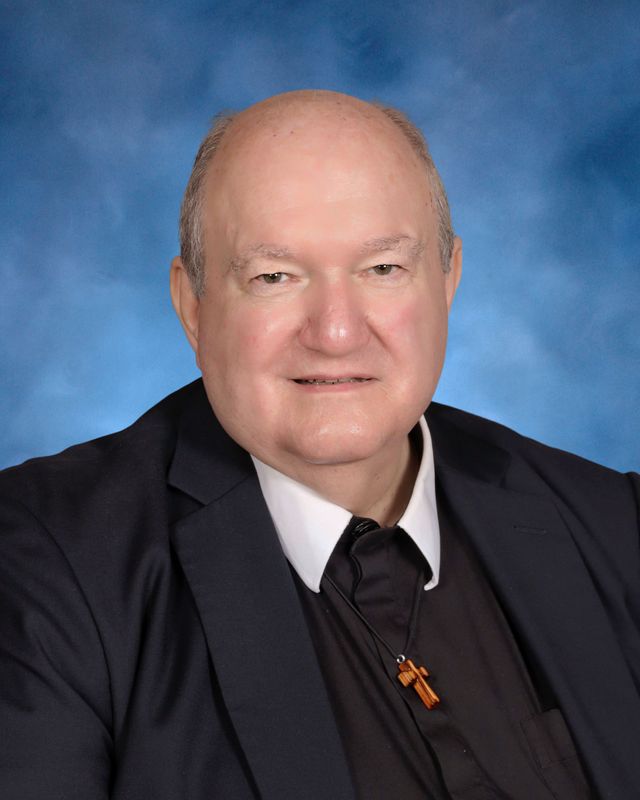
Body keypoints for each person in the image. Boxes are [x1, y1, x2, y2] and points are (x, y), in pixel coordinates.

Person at [1, 90, 638, 800]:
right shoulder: (41, 564)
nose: (336, 331)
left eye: (383, 269)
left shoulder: (616, 526)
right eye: (275, 276)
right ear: (193, 305)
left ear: (448, 279)